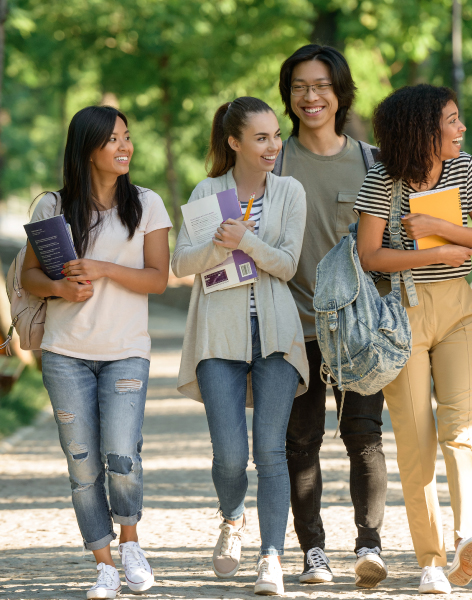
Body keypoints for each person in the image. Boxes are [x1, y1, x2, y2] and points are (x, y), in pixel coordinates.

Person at [355, 83, 472, 594]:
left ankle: (469, 537)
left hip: (458, 309)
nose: (461, 129)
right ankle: (431, 560)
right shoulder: (381, 181)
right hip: (402, 315)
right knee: (416, 441)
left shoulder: (464, 169)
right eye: (452, 121)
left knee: (461, 427)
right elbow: (370, 256)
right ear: (422, 130)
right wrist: (431, 253)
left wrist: (441, 228)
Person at [21, 105, 172, 599]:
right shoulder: (52, 208)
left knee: (121, 454)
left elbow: (157, 278)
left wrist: (104, 268)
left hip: (126, 350)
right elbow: (29, 278)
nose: (124, 146)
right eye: (112, 139)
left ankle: (131, 545)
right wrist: (61, 290)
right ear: (86, 148)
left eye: (127, 136)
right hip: (65, 353)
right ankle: (103, 563)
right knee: (82, 462)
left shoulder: (146, 204)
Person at [172, 97, 308, 596]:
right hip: (218, 334)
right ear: (234, 143)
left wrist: (247, 241)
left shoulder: (290, 191)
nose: (273, 146)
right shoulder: (208, 191)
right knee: (230, 456)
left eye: (276, 136)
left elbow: (289, 264)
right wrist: (218, 246)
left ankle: (271, 556)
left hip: (275, 333)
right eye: (261, 138)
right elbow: (182, 264)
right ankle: (232, 518)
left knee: (270, 451)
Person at [277, 44, 389, 588]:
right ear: (288, 96)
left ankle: (369, 545)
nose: (310, 96)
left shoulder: (372, 163)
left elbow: (388, 244)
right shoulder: (271, 162)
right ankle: (312, 551)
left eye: (320, 85)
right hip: (292, 328)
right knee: (300, 442)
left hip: (357, 333)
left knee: (364, 435)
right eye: (299, 86)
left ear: (340, 93)